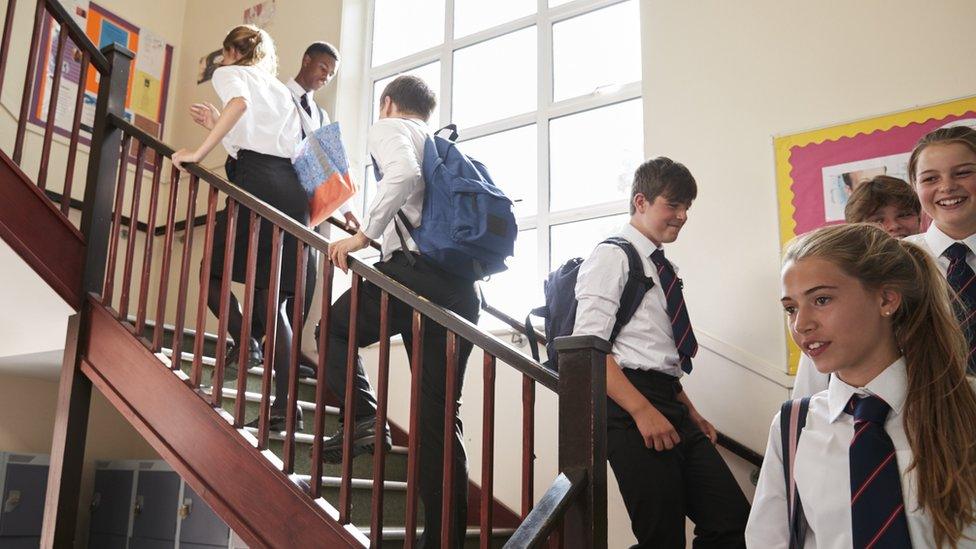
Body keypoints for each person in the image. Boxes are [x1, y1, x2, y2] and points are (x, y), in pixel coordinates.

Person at [747, 223, 976, 547]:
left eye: (822, 299)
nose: (802, 324)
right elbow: (768, 540)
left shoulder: (965, 403)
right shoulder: (793, 426)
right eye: (790, 308)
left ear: (886, 299)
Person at [324, 75, 479, 547]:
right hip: (458, 289)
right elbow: (413, 189)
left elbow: (403, 176)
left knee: (332, 329)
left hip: (414, 277)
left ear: (387, 103)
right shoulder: (439, 143)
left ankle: (364, 417)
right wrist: (373, 222)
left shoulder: (389, 128)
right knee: (438, 422)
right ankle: (444, 540)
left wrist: (363, 237)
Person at [572, 158, 750, 548]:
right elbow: (588, 350)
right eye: (673, 204)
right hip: (628, 405)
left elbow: (656, 355)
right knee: (662, 537)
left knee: (732, 521)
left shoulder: (660, 264)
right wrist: (640, 411)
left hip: (668, 398)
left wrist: (691, 412)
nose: (683, 215)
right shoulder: (612, 256)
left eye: (687, 206)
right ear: (641, 201)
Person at [189, 40, 359, 376]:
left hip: (300, 206)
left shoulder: (320, 113)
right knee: (263, 283)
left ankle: (277, 361)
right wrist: (214, 128)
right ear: (307, 60)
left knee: (295, 288)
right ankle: (251, 346)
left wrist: (347, 208)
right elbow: (247, 141)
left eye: (332, 74)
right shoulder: (275, 91)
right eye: (323, 67)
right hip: (263, 189)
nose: (326, 76)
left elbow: (328, 162)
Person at [172, 25, 311, 431]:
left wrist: (197, 152)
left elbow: (239, 105)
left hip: (259, 183)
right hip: (292, 189)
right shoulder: (279, 88)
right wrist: (219, 124)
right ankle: (286, 406)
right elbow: (263, 138)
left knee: (211, 274)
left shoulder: (229, 72)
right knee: (274, 303)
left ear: (230, 52)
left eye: (226, 53)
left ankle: (246, 342)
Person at [792, 175, 921, 397]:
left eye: (904, 215)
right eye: (877, 220)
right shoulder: (834, 311)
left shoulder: (939, 279)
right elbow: (808, 399)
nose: (893, 226)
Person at [904, 126, 976, 375]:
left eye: (963, 173)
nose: (946, 187)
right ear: (914, 186)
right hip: (923, 407)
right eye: (930, 178)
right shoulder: (893, 261)